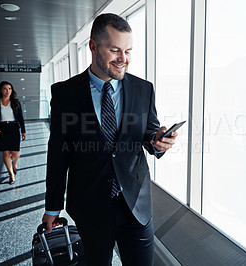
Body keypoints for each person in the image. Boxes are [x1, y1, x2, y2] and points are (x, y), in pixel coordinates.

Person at [42, 13, 178, 265]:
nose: (123, 59)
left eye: (128, 51)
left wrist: (158, 141)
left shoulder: (143, 88)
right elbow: (59, 154)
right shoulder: (65, 93)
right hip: (90, 205)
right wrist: (52, 207)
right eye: (114, 50)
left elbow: (149, 134)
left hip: (135, 206)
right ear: (93, 46)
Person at [0, 81, 26, 185]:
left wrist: (23, 131)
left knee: (15, 153)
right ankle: (11, 174)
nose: (7, 91)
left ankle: (14, 164)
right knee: (5, 152)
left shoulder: (16, 102)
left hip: (14, 128)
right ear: (1, 90)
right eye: (5, 89)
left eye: (9, 89)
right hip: (2, 129)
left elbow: (20, 118)